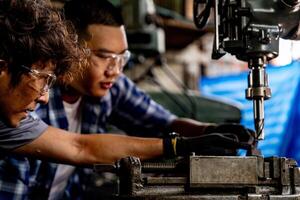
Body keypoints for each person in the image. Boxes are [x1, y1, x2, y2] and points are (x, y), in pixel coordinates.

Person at [0, 0, 254, 199]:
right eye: (105, 56)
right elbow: (81, 147)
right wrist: (179, 146)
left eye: (122, 58)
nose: (115, 70)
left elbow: (163, 123)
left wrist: (208, 132)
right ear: (74, 49)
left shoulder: (110, 86)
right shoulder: (20, 104)